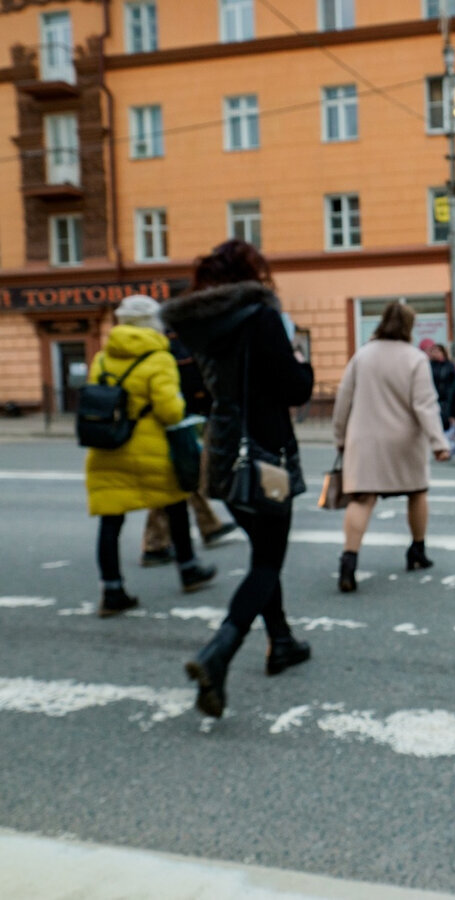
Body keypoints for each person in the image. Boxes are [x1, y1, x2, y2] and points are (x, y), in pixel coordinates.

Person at [161, 239, 314, 718]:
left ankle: (282, 640)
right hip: (265, 453)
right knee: (268, 561)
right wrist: (304, 365)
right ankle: (219, 653)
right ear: (252, 274)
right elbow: (293, 387)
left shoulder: (199, 327)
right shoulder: (260, 318)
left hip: (224, 453)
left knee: (261, 550)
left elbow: (197, 389)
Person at [85, 295, 218, 617]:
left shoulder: (102, 358)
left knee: (110, 521)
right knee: (175, 505)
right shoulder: (159, 358)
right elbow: (170, 411)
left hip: (109, 449)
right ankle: (188, 569)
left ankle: (112, 590)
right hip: (151, 449)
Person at [332, 302, 451, 593]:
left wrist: (340, 436)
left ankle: (349, 561)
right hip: (404, 440)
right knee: (417, 493)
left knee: (362, 499)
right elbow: (424, 405)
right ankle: (417, 551)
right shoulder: (415, 359)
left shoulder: (362, 355)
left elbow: (343, 400)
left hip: (365, 440)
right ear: (409, 327)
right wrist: (438, 442)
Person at [140, 332, 237, 566]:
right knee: (178, 478)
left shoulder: (170, 346)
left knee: (187, 476)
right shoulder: (178, 348)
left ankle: (207, 525)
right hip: (178, 423)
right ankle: (156, 544)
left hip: (180, 421)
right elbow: (181, 391)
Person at [426, 342, 455, 457]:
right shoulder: (428, 365)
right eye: (433, 351)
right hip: (433, 399)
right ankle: (441, 447)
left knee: (446, 423)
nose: (435, 353)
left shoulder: (449, 366)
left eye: (437, 351)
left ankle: (446, 447)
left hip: (447, 399)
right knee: (436, 423)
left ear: (443, 353)